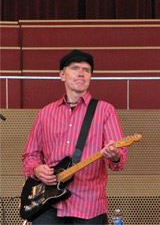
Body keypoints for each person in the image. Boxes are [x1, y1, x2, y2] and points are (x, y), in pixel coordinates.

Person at [22, 49, 128, 224]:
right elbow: (30, 155)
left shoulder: (105, 111)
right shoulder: (45, 113)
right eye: (75, 68)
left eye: (86, 70)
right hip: (47, 205)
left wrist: (115, 155)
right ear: (62, 75)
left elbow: (119, 162)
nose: (81, 73)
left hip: (89, 206)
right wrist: (36, 169)